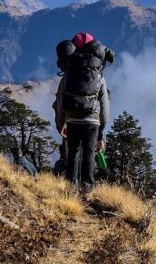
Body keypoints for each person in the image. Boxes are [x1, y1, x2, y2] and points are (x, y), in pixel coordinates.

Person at [53, 32, 112, 192]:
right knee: (89, 154)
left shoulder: (68, 75)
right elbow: (105, 107)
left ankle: (71, 187)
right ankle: (87, 189)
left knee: (72, 153)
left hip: (72, 119)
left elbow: (59, 101)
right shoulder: (99, 76)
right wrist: (101, 132)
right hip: (92, 121)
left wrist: (61, 123)